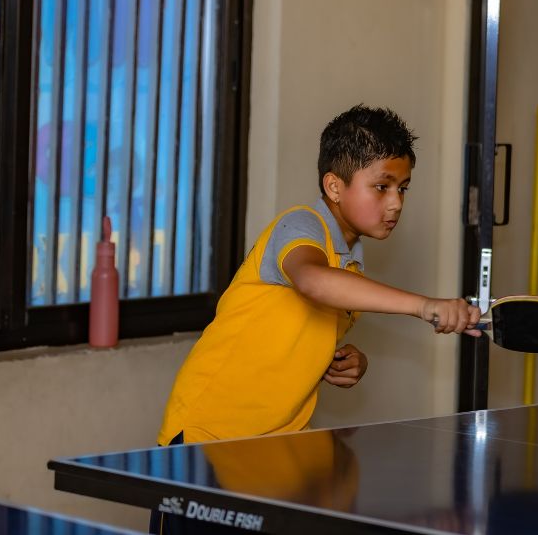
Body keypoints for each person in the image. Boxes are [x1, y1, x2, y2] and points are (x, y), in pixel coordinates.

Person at [157, 105, 480, 446]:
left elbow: (296, 333)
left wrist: (341, 360)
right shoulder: (300, 225)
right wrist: (425, 306)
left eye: (402, 188)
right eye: (381, 186)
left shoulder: (350, 264)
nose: (396, 203)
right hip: (208, 432)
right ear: (334, 187)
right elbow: (312, 280)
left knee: (345, 475)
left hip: (279, 438)